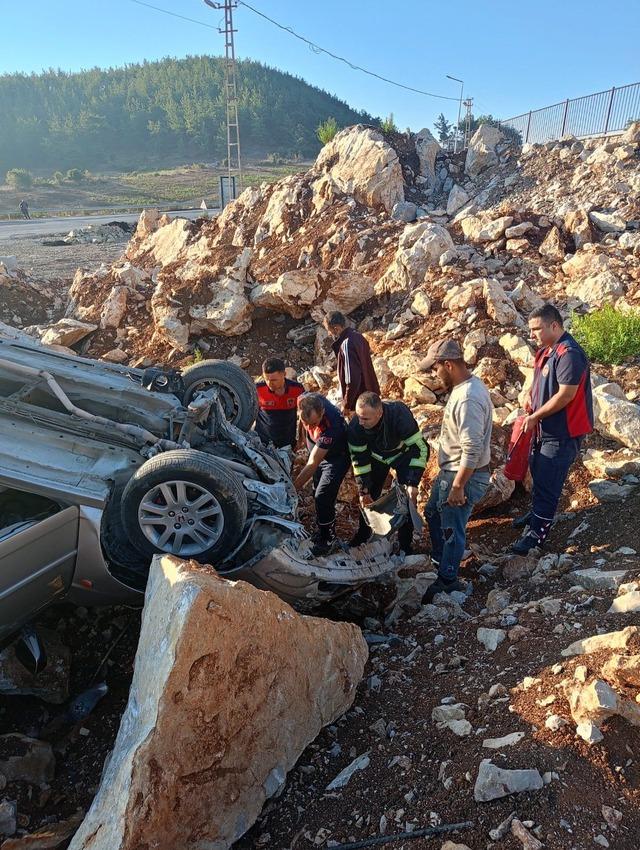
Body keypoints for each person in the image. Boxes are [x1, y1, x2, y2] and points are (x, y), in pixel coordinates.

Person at [511, 303, 593, 555]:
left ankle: (538, 534)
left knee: (549, 481)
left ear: (554, 325)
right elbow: (542, 384)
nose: (532, 334)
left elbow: (566, 395)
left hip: (561, 432)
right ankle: (536, 514)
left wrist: (536, 415)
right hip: (544, 429)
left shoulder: (568, 353)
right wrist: (531, 402)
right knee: (537, 471)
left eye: (537, 329)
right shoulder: (547, 351)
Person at [418, 339, 493, 603]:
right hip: (451, 469)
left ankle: (448, 580)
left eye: (435, 369)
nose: (434, 376)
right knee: (432, 512)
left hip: (463, 475)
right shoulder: (464, 388)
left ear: (448, 365)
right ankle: (442, 560)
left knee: (452, 527)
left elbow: (472, 447)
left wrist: (459, 486)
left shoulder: (468, 398)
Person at [347, 391, 429, 555]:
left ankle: (405, 546)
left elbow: (420, 448)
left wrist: (412, 483)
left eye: (366, 419)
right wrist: (363, 490)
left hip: (403, 455)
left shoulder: (399, 415)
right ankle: (364, 534)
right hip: (376, 457)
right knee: (369, 497)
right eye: (359, 416)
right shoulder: (356, 426)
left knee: (405, 499)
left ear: (379, 413)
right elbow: (359, 460)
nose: (360, 422)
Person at [294, 393, 350, 557]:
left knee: (323, 495)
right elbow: (302, 422)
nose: (310, 427)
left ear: (322, 412)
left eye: (314, 423)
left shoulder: (332, 425)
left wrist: (293, 488)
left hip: (336, 457)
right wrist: (300, 439)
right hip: (317, 450)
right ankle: (323, 528)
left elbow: (313, 463)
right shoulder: (305, 400)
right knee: (316, 491)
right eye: (307, 423)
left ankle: (328, 539)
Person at [324, 311, 380, 419]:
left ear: (336, 328)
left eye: (329, 330)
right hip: (371, 396)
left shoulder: (346, 344)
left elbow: (352, 379)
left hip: (360, 403)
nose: (329, 334)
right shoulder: (358, 337)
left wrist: (347, 404)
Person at [254, 357, 304, 449]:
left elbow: (303, 417)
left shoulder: (297, 389)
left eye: (274, 380)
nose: (269, 383)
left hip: (288, 443)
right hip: (263, 444)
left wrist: (301, 439)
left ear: (284, 374)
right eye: (266, 379)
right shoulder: (257, 389)